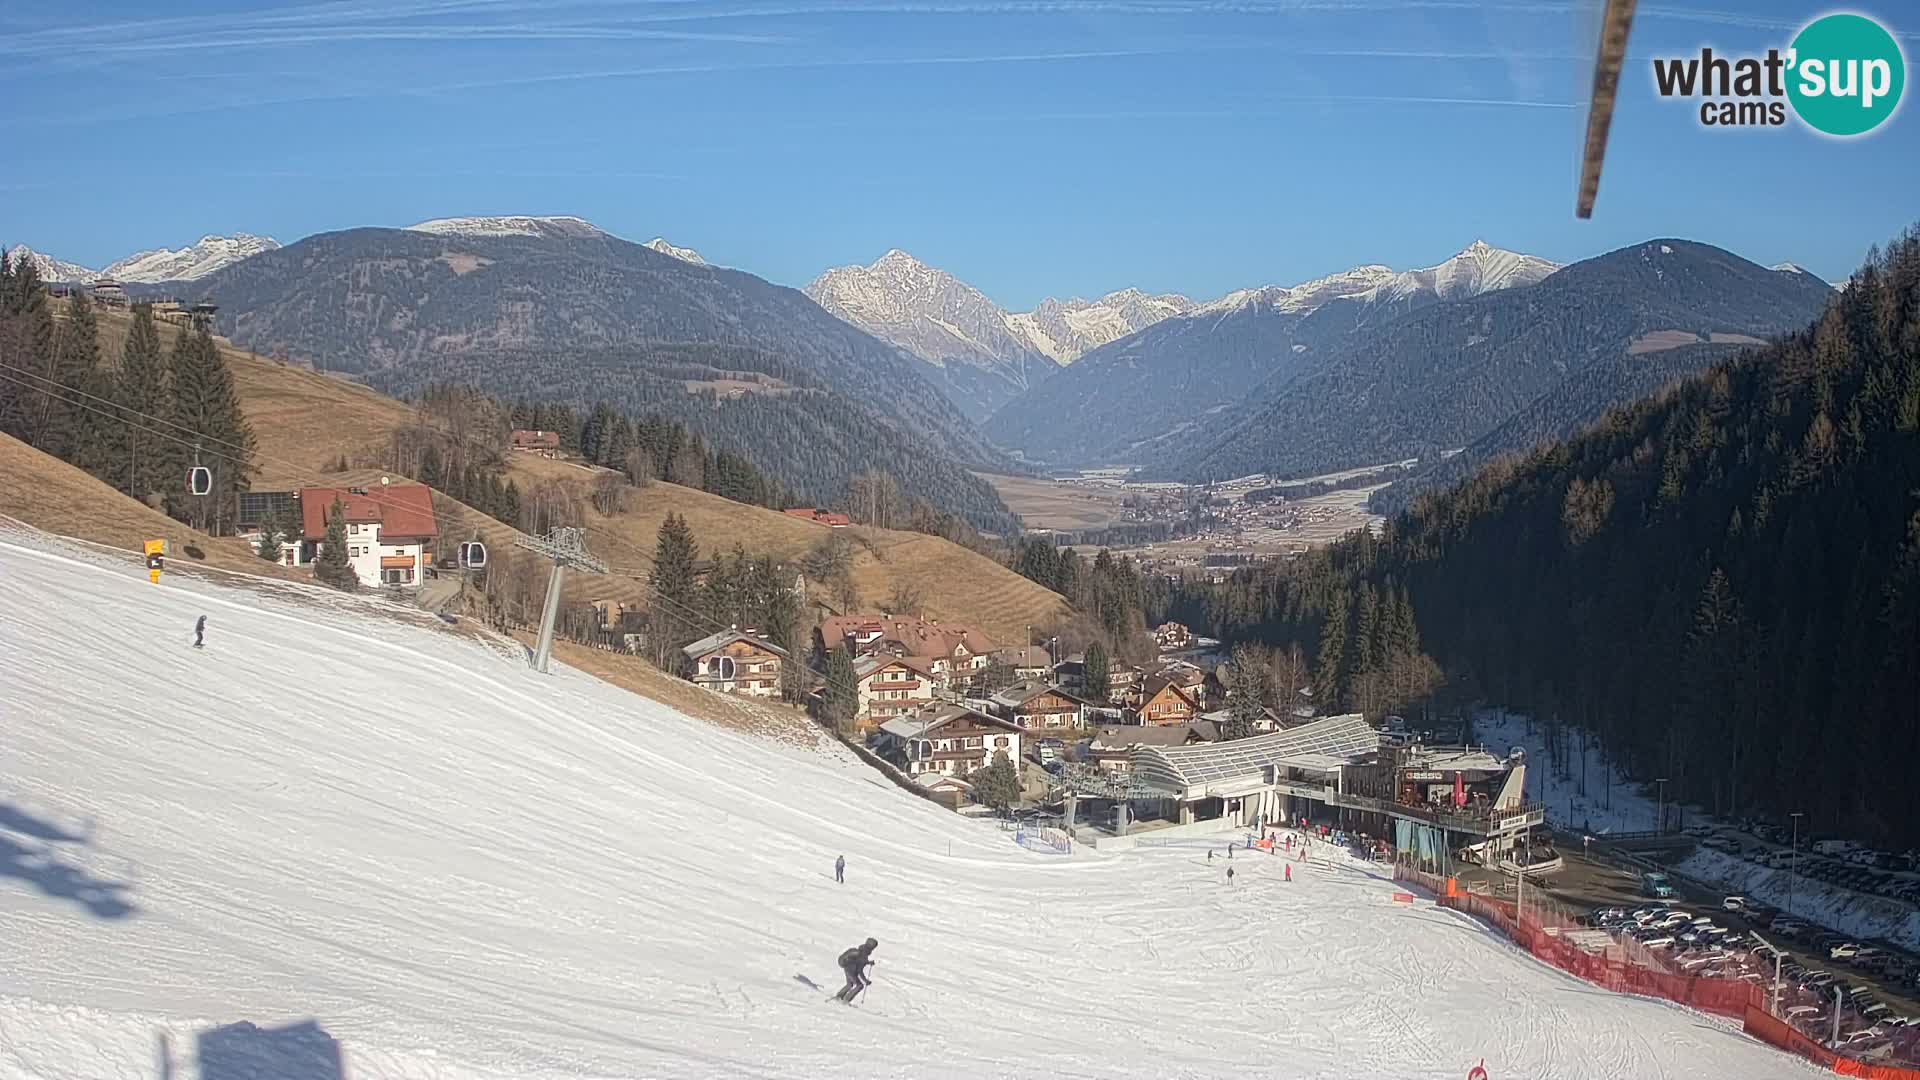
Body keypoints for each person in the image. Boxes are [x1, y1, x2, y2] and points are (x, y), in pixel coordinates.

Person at [835, 938, 878, 1002]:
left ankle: (839, 996)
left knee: (849, 985)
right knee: (859, 985)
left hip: (847, 968)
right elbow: (860, 970)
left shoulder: (861, 950)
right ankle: (846, 1000)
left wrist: (868, 962)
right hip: (851, 972)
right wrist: (865, 981)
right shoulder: (864, 954)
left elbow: (859, 962)